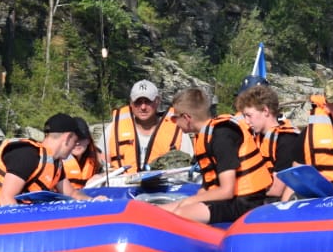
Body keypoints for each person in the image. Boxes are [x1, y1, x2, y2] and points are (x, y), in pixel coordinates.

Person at [161, 87, 273, 224]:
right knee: (159, 211)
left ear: (186, 118)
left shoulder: (222, 136)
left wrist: (190, 202)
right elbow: (208, 185)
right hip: (230, 200)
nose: (173, 123)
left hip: (247, 202)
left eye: (174, 118)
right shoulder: (203, 137)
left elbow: (227, 191)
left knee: (180, 213)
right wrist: (189, 202)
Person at [0, 113, 95, 206]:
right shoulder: (28, 154)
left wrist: (96, 202)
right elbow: (6, 198)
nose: (74, 147)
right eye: (74, 141)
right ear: (67, 138)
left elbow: (71, 193)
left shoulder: (56, 163)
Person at [235, 80, 303, 200]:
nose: (246, 121)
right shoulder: (256, 137)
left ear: (265, 111)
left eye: (249, 115)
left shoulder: (287, 140)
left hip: (277, 202)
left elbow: (277, 190)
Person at [105, 79, 189, 174]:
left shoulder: (178, 129)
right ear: (131, 103)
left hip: (165, 185)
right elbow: (101, 165)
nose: (143, 107)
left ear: (157, 101)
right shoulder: (113, 129)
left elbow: (189, 165)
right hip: (122, 185)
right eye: (138, 102)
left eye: (148, 101)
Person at [61, 117, 103, 191]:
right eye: (74, 139)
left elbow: (110, 171)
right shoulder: (57, 158)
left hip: (88, 197)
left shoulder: (96, 157)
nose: (77, 143)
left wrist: (100, 176)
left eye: (82, 139)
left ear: (88, 140)